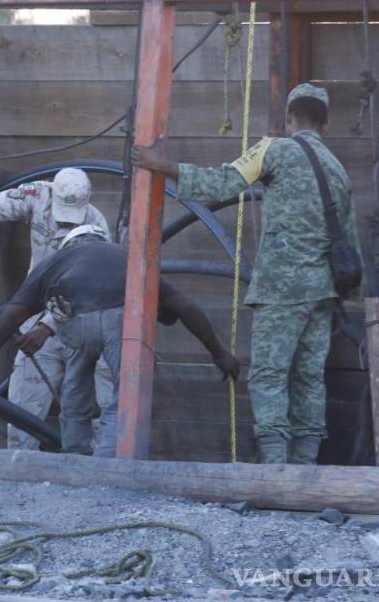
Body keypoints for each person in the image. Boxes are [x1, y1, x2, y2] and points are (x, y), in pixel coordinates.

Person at [133, 83, 361, 465]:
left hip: (280, 290)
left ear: (288, 118)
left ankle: (274, 467)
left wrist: (160, 166)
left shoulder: (274, 148)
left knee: (270, 376)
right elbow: (350, 243)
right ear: (327, 123)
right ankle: (306, 467)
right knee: (308, 378)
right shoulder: (338, 170)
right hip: (323, 295)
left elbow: (222, 183)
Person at [0, 228, 240, 455]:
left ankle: (74, 450)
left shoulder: (56, 262)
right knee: (121, 393)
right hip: (118, 320)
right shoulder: (128, 258)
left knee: (78, 372)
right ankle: (110, 459)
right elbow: (185, 307)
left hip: (74, 323)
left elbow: (6, 321)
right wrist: (218, 353)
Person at [0, 167, 111, 451]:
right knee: (24, 405)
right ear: (53, 193)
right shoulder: (36, 194)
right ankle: (19, 466)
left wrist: (47, 327)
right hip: (37, 316)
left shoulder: (97, 227)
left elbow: (89, 289)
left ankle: (95, 473)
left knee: (89, 409)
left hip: (82, 325)